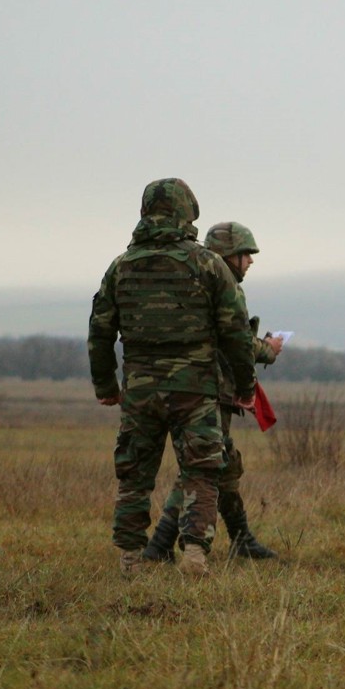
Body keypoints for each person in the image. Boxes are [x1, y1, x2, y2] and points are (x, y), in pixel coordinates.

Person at [88, 178, 256, 576]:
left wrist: (107, 387)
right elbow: (236, 333)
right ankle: (195, 553)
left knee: (134, 476)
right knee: (201, 472)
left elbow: (99, 330)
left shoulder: (121, 266)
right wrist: (246, 387)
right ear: (187, 213)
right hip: (195, 392)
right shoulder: (208, 264)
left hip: (141, 391)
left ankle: (130, 558)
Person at [141, 221, 284, 563]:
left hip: (193, 388)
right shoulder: (220, 285)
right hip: (208, 392)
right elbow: (236, 340)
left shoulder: (195, 282)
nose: (250, 261)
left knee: (225, 465)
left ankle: (241, 539)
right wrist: (268, 349)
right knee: (201, 467)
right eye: (246, 254)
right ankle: (159, 546)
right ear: (229, 256)